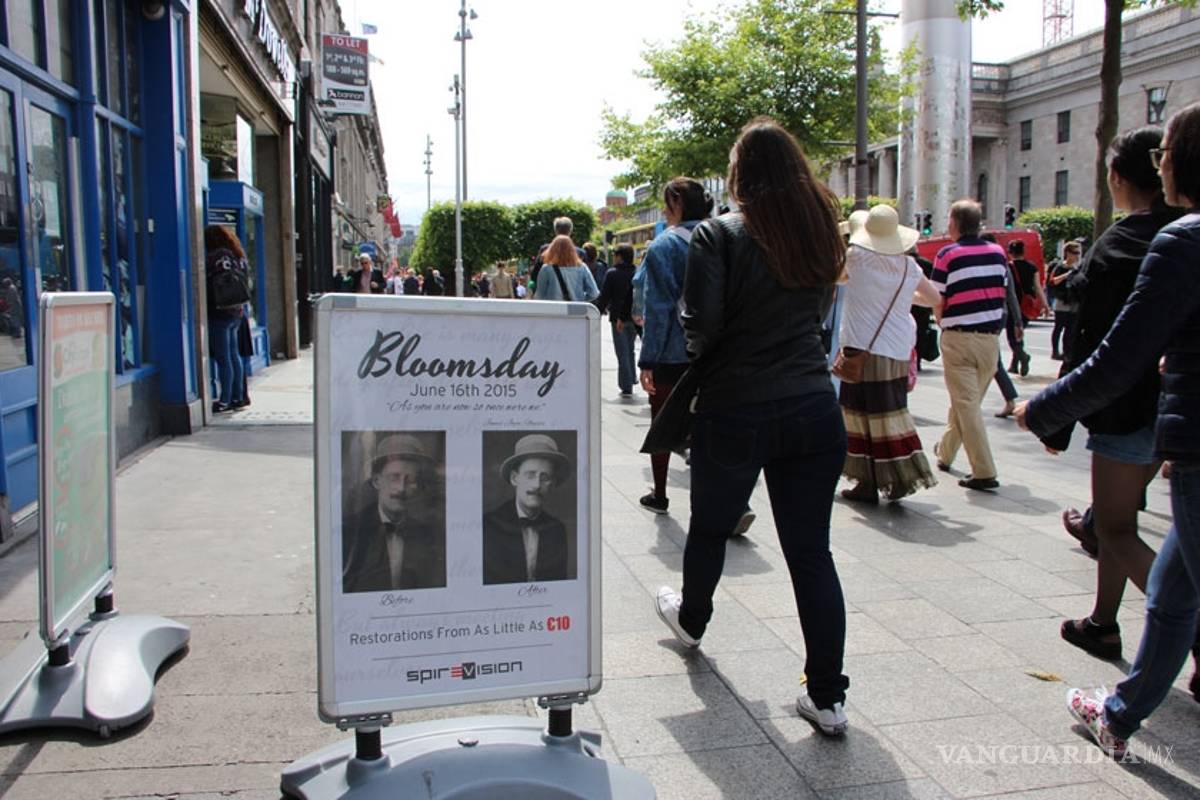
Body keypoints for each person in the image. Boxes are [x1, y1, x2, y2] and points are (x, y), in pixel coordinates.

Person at [654, 118, 850, 737]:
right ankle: (827, 697)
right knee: (810, 552)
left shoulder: (718, 234)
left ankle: (692, 618)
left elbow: (702, 326)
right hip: (815, 406)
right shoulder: (820, 232)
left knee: (710, 526)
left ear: (741, 173)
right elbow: (818, 317)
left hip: (737, 404)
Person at [1015, 102, 1200, 757]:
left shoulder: (1164, 241)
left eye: (1167, 153)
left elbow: (1110, 352)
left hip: (1151, 422)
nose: (1163, 164)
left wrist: (1045, 412)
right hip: (1173, 429)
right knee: (1174, 577)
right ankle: (1117, 701)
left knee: (1119, 531)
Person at [837, 205, 942, 503]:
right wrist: (904, 295)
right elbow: (934, 298)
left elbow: (832, 278)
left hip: (861, 346)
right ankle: (895, 479)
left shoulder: (855, 258)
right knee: (890, 414)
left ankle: (870, 482)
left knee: (860, 416)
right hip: (896, 348)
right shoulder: (909, 267)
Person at [637, 177, 713, 515]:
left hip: (674, 350)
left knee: (663, 423)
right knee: (713, 425)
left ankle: (661, 492)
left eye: (667, 202)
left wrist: (647, 360)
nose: (665, 209)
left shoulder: (664, 247)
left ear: (678, 203)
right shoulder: (725, 237)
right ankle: (726, 501)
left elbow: (658, 308)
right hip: (720, 351)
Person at [930, 200, 1008, 491]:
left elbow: (938, 298)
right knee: (967, 403)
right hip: (990, 341)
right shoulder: (998, 253)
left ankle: (984, 470)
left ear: (954, 223)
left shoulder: (947, 254)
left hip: (959, 337)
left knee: (966, 405)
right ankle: (945, 453)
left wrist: (942, 323)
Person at [342, 434, 446, 593]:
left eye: (410, 480)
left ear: (418, 486)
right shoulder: (351, 532)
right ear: (377, 481)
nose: (401, 488)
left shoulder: (430, 535)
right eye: (394, 477)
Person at [483, 434, 573, 584]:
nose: (536, 485)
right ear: (514, 478)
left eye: (545, 477)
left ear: (553, 484)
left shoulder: (557, 530)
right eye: (530, 475)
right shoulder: (488, 525)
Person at [204, 225, 249, 413]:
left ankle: (224, 400)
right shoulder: (237, 255)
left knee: (224, 358)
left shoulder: (215, 257)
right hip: (236, 311)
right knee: (233, 355)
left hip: (219, 311)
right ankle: (237, 396)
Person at [985, 232, 1024, 419]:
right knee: (991, 357)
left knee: (991, 358)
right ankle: (1009, 398)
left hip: (988, 315)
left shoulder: (986, 265)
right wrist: (1017, 321)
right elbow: (1011, 296)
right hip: (1001, 314)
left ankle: (1009, 399)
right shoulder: (1003, 265)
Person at [595, 243, 638, 396]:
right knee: (630, 349)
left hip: (618, 317)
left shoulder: (612, 273)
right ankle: (632, 377)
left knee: (622, 352)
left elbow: (604, 297)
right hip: (635, 316)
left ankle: (626, 385)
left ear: (619, 256)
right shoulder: (637, 271)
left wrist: (596, 314)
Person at [532, 235, 600, 302]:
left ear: (552, 250)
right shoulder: (582, 267)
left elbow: (539, 296)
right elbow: (594, 293)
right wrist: (580, 299)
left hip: (553, 310)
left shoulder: (546, 269)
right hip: (576, 310)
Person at [1048, 241, 1083, 360]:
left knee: (1070, 329)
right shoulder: (1060, 266)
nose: (1077, 256)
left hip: (1074, 300)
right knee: (1059, 327)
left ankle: (1066, 352)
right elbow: (1053, 281)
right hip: (1062, 300)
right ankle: (1055, 351)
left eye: (1078, 253)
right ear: (1067, 253)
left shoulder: (1078, 268)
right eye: (1074, 253)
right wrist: (1067, 274)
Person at [531, 217, 587, 287]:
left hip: (550, 294)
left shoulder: (544, 250)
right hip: (575, 295)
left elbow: (535, 275)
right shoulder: (580, 253)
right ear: (570, 231)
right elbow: (586, 279)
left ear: (556, 231)